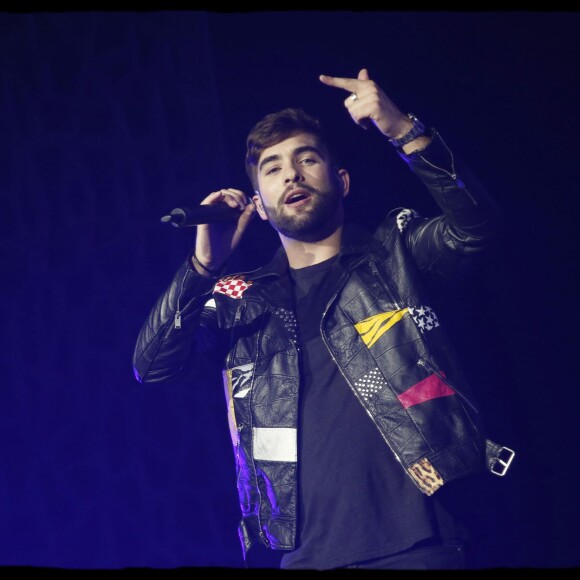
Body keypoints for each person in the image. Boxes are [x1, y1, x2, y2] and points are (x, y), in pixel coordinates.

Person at [132, 68, 515, 570]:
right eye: (272, 168)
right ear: (260, 209)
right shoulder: (238, 302)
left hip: (420, 546)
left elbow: (476, 228)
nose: (290, 174)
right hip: (303, 556)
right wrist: (204, 266)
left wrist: (402, 129)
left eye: (306, 159)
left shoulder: (393, 253)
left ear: (342, 180)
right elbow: (153, 364)